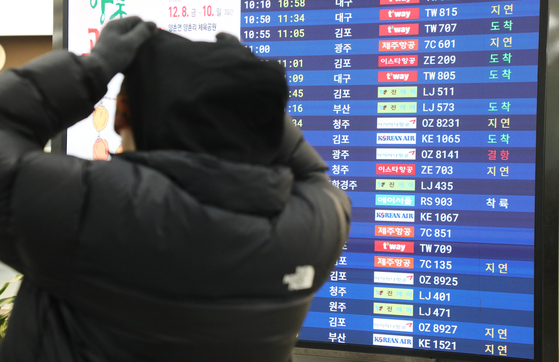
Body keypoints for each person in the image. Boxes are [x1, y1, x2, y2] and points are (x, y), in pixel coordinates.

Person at [0, 17, 350, 362]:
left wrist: (93, 68)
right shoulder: (316, 223)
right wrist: (245, 91)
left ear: (121, 115)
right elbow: (309, 168)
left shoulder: (92, 208)